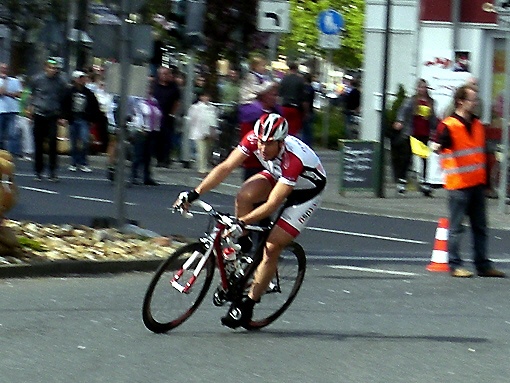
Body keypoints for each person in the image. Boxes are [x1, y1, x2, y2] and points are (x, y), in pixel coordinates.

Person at [173, 113, 327, 329]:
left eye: (269, 144)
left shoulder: (294, 159)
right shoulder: (255, 138)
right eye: (261, 142)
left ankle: (248, 304)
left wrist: (241, 222)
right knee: (244, 196)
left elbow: (273, 204)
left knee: (272, 247)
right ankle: (243, 254)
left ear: (281, 142)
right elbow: (226, 167)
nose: (262, 148)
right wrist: (194, 193)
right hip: (277, 174)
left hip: (305, 192)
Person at [433, 84, 505, 278]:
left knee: (480, 227)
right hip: (459, 185)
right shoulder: (449, 125)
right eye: (472, 99)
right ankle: (455, 265)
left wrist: (488, 184)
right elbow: (436, 144)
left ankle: (483, 265)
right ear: (460, 101)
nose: (475, 103)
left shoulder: (477, 124)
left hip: (477, 184)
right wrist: (437, 146)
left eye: (476, 99)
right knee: (457, 228)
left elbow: (481, 154)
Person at [392, 78, 437, 196]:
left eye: (424, 87)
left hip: (424, 133)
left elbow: (433, 118)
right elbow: (402, 111)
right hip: (411, 133)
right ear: (417, 89)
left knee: (424, 159)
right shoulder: (411, 101)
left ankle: (424, 182)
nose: (422, 90)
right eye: (420, 87)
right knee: (407, 158)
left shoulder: (430, 102)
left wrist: (435, 129)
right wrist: (399, 121)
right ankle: (402, 181)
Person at [28, 58, 68, 181]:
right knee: (38, 143)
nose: (53, 70)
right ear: (45, 67)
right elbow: (31, 95)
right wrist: (29, 111)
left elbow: (64, 99)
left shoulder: (61, 82)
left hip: (53, 114)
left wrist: (62, 116)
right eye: (50, 67)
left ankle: (52, 171)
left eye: (55, 68)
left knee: (52, 142)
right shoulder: (37, 79)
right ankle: (38, 171)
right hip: (39, 113)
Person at [238, 81, 281, 180]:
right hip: (254, 162)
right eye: (273, 95)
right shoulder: (251, 113)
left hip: (274, 163)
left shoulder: (277, 113)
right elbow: (247, 138)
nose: (276, 98)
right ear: (264, 95)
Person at [62, 70, 101, 173]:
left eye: (83, 78)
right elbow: (64, 105)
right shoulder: (69, 92)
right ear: (75, 79)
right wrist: (64, 117)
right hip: (73, 118)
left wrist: (93, 119)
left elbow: (95, 107)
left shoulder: (89, 93)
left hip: (84, 119)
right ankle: (74, 162)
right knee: (74, 142)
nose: (82, 80)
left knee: (84, 140)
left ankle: (83, 162)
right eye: (80, 78)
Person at [129, 86, 162, 186]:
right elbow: (137, 115)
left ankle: (147, 176)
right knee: (138, 154)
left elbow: (157, 115)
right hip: (142, 130)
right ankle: (134, 175)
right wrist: (140, 127)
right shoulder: (138, 102)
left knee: (148, 156)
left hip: (153, 131)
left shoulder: (154, 102)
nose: (148, 91)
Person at [152, 66, 181, 167]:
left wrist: (172, 114)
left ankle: (166, 159)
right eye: (163, 74)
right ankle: (159, 158)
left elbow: (177, 101)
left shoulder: (173, 87)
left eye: (168, 74)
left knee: (167, 138)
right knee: (157, 138)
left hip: (167, 116)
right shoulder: (154, 85)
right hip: (154, 116)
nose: (166, 76)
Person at [187, 90, 218, 174]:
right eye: (204, 96)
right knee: (201, 151)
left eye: (207, 96)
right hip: (199, 131)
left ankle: (206, 166)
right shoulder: (195, 107)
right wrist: (197, 130)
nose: (206, 98)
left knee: (208, 151)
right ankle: (201, 167)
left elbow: (214, 121)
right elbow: (192, 120)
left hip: (210, 132)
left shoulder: (213, 108)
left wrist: (214, 132)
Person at [0, 62, 22, 155]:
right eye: (2, 68)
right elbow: (1, 92)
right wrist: (11, 92)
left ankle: (13, 152)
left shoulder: (15, 81)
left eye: (5, 68)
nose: (4, 70)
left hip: (12, 110)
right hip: (1, 110)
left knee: (12, 133)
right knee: (0, 133)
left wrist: (7, 93)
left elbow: (19, 94)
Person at [279, 62, 306, 136]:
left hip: (284, 106)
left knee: (283, 128)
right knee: (294, 131)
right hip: (296, 108)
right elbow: (303, 97)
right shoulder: (300, 80)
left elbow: (280, 94)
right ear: (297, 69)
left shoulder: (284, 79)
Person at [301, 73, 316, 146]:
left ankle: (305, 146)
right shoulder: (311, 88)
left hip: (306, 112)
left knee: (306, 132)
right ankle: (308, 145)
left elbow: (305, 102)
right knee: (308, 132)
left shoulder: (304, 88)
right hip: (310, 111)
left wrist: (305, 112)